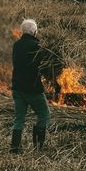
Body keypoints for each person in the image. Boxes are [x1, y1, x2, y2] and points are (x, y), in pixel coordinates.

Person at [11, 19, 50, 153]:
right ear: (34, 31)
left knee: (19, 118)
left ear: (23, 31)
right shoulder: (36, 46)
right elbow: (42, 67)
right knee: (44, 114)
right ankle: (38, 146)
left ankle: (14, 147)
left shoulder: (16, 45)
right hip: (33, 89)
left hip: (17, 88)